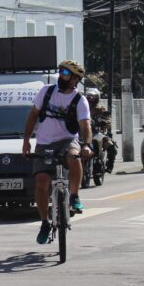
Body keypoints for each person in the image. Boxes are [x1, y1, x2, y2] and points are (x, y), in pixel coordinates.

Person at [21, 59, 92, 245]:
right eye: (61, 71)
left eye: (67, 73)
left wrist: (86, 145)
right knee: (42, 181)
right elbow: (33, 115)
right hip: (44, 143)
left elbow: (85, 125)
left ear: (75, 79)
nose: (62, 76)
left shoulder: (79, 100)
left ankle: (75, 196)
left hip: (67, 140)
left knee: (74, 158)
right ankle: (45, 223)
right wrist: (27, 140)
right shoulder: (46, 92)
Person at [84, 87, 117, 173]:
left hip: (98, 134)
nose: (91, 99)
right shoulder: (82, 108)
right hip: (84, 133)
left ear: (97, 98)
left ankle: (109, 166)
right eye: (89, 96)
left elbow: (108, 120)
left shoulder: (101, 109)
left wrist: (104, 122)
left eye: (93, 97)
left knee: (111, 147)